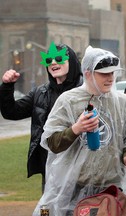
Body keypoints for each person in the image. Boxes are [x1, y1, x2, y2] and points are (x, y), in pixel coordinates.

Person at [33, 46, 126, 215]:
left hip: (112, 188)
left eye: (112, 73)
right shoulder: (69, 101)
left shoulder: (123, 102)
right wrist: (76, 129)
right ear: (87, 73)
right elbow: (51, 142)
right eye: (104, 74)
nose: (110, 78)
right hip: (75, 190)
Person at [0, 41, 83, 192]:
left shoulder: (85, 91)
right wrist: (7, 86)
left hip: (80, 168)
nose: (53, 63)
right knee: (47, 211)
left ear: (71, 61)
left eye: (58, 59)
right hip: (49, 167)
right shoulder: (40, 93)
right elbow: (11, 112)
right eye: (48, 60)